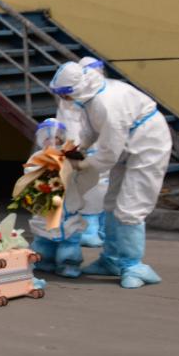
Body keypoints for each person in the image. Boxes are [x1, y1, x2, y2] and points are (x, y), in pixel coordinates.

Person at [50, 62, 170, 288]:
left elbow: (109, 152)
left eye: (63, 94)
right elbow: (90, 131)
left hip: (148, 144)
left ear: (75, 89)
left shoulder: (107, 103)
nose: (63, 100)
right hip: (127, 144)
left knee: (131, 206)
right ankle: (112, 259)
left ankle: (133, 265)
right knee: (111, 202)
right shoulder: (89, 98)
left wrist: (84, 164)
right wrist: (78, 149)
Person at [27, 118, 86, 278]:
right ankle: (44, 262)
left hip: (68, 210)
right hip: (45, 212)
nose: (53, 141)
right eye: (48, 138)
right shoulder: (36, 159)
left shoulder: (68, 157)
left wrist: (76, 160)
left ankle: (69, 265)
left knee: (69, 240)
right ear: (40, 140)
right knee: (43, 241)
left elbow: (82, 171)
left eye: (57, 138)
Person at [67, 57, 110, 246]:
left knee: (94, 188)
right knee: (97, 188)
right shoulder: (90, 96)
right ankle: (98, 227)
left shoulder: (88, 98)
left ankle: (93, 227)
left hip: (96, 152)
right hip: (97, 150)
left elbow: (76, 126)